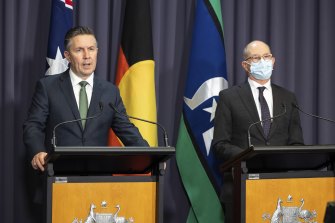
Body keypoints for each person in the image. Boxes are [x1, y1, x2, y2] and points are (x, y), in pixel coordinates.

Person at [23, 26, 149, 172]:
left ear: (97, 52)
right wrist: (37, 151)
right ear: (67, 56)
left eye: (91, 49)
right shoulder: (48, 87)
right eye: (79, 50)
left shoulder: (110, 91)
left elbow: (127, 130)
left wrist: (150, 156)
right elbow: (33, 125)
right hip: (59, 176)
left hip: (98, 178)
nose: (87, 55)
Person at [212, 40, 304, 222]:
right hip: (241, 186)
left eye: (267, 56)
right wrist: (250, 156)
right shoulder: (229, 97)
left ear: (274, 60)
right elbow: (220, 144)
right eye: (256, 58)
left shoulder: (288, 97)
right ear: (245, 65)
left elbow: (297, 143)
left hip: (281, 188)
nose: (263, 61)